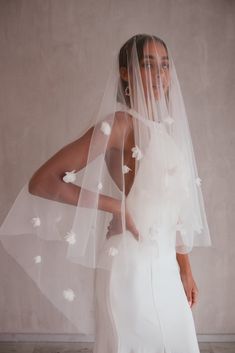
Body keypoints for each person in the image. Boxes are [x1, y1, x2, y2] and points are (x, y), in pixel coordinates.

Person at [0, 34, 212, 352]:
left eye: (165, 65)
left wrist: (185, 270)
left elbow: (175, 208)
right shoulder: (120, 125)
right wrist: (117, 206)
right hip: (130, 265)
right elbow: (43, 181)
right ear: (125, 72)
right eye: (148, 65)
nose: (159, 74)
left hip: (165, 266)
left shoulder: (166, 131)